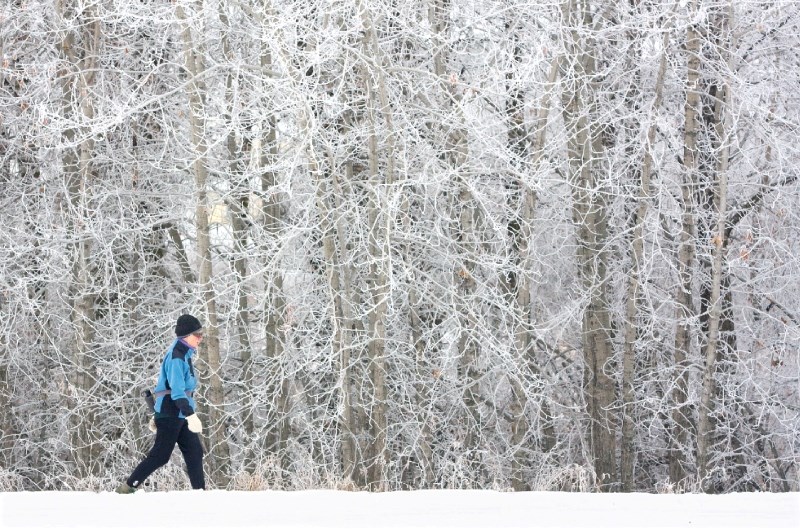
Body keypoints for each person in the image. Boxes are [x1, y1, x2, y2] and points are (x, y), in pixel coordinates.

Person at [116, 314, 206, 493]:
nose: (200, 338)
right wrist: (190, 415)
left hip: (179, 411)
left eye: (201, 334)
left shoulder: (185, 354)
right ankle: (126, 488)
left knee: (195, 452)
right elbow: (177, 391)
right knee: (160, 456)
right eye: (197, 335)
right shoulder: (176, 357)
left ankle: (200, 494)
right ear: (186, 336)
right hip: (172, 411)